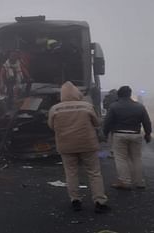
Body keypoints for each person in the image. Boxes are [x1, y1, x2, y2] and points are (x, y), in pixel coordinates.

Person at [48, 81, 109, 213]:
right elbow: (97, 123)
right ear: (77, 93)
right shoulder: (87, 106)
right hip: (88, 144)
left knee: (71, 173)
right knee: (94, 173)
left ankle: (75, 200)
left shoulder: (55, 109)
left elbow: (51, 126)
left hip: (66, 145)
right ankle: (100, 202)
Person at [103, 85, 152, 190]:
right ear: (130, 94)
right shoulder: (139, 106)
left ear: (119, 95)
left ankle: (125, 181)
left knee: (121, 158)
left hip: (119, 134)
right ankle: (139, 182)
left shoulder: (114, 106)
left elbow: (107, 122)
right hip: (135, 134)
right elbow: (147, 122)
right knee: (136, 158)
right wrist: (148, 134)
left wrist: (105, 134)